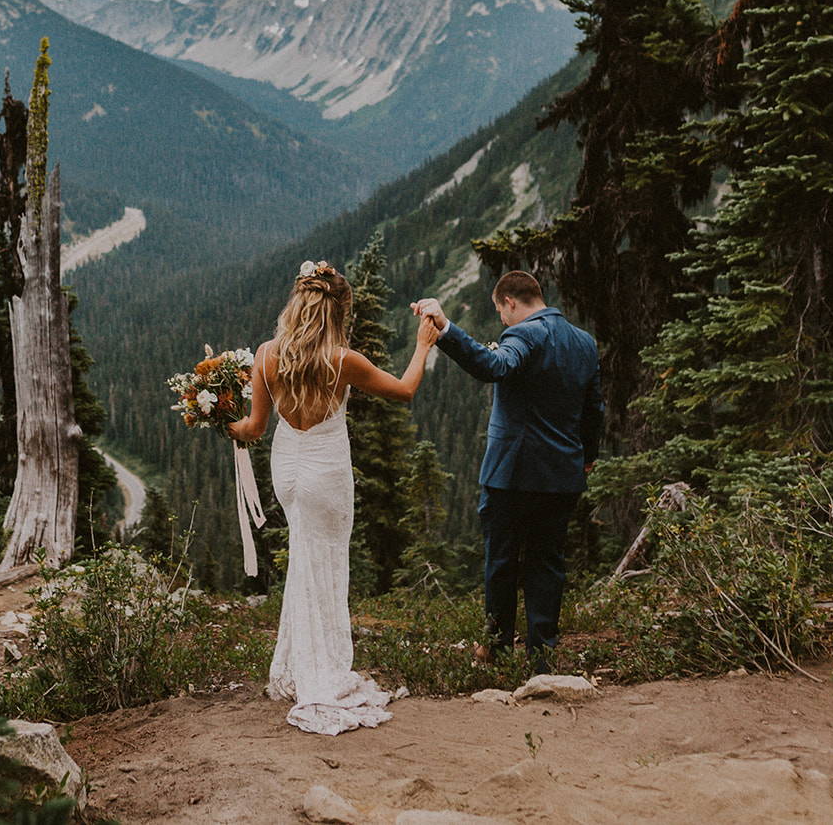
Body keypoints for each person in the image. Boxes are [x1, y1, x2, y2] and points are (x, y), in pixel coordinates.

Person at [229, 260, 443, 734]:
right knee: (323, 560)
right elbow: (405, 391)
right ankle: (319, 670)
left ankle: (297, 661)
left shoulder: (266, 355)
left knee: (304, 557)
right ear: (340, 311)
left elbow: (255, 428)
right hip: (325, 469)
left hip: (287, 467)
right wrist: (422, 345)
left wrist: (222, 419)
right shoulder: (343, 360)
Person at [412, 270, 602, 675]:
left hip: (512, 474)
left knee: (502, 562)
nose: (501, 320)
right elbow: (593, 407)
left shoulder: (524, 335)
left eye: (500, 310)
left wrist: (445, 328)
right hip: (561, 473)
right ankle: (542, 656)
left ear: (511, 302)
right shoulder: (584, 342)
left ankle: (496, 648)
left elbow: (493, 366)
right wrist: (587, 455)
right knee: (547, 565)